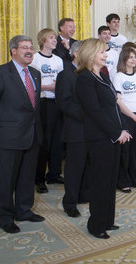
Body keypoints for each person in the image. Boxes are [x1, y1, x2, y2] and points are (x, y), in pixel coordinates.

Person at [0, 35, 45, 234]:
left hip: (32, 135)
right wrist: (3, 125)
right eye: (24, 47)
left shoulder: (35, 73)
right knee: (6, 180)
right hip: (8, 137)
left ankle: (24, 210)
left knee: (26, 177)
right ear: (13, 51)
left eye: (31, 47)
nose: (29, 51)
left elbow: (34, 107)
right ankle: (5, 217)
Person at [75, 38, 131, 239]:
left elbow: (114, 106)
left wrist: (122, 129)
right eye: (102, 52)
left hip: (112, 137)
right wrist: (116, 133)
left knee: (110, 180)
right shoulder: (84, 78)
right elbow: (94, 111)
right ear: (90, 54)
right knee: (100, 182)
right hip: (99, 138)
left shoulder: (103, 76)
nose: (106, 55)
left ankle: (107, 219)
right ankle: (96, 225)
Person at [55, 40, 88, 218]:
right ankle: (70, 202)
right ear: (76, 53)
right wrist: (87, 114)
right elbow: (64, 103)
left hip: (90, 129)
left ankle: (83, 194)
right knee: (74, 168)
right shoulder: (65, 74)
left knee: (87, 165)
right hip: (75, 129)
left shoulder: (87, 72)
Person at [30, 28, 65, 193]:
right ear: (43, 40)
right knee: (43, 142)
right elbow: (29, 82)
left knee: (57, 141)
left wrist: (58, 87)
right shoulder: (35, 59)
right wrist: (48, 86)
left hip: (56, 102)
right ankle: (39, 178)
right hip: (42, 103)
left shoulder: (58, 60)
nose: (54, 40)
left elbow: (62, 81)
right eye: (51, 37)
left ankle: (54, 173)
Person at [113, 47, 136, 190]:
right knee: (125, 151)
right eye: (130, 57)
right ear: (124, 60)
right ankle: (123, 181)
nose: (134, 60)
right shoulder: (119, 77)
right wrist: (134, 117)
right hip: (126, 117)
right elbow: (118, 101)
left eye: (135, 57)